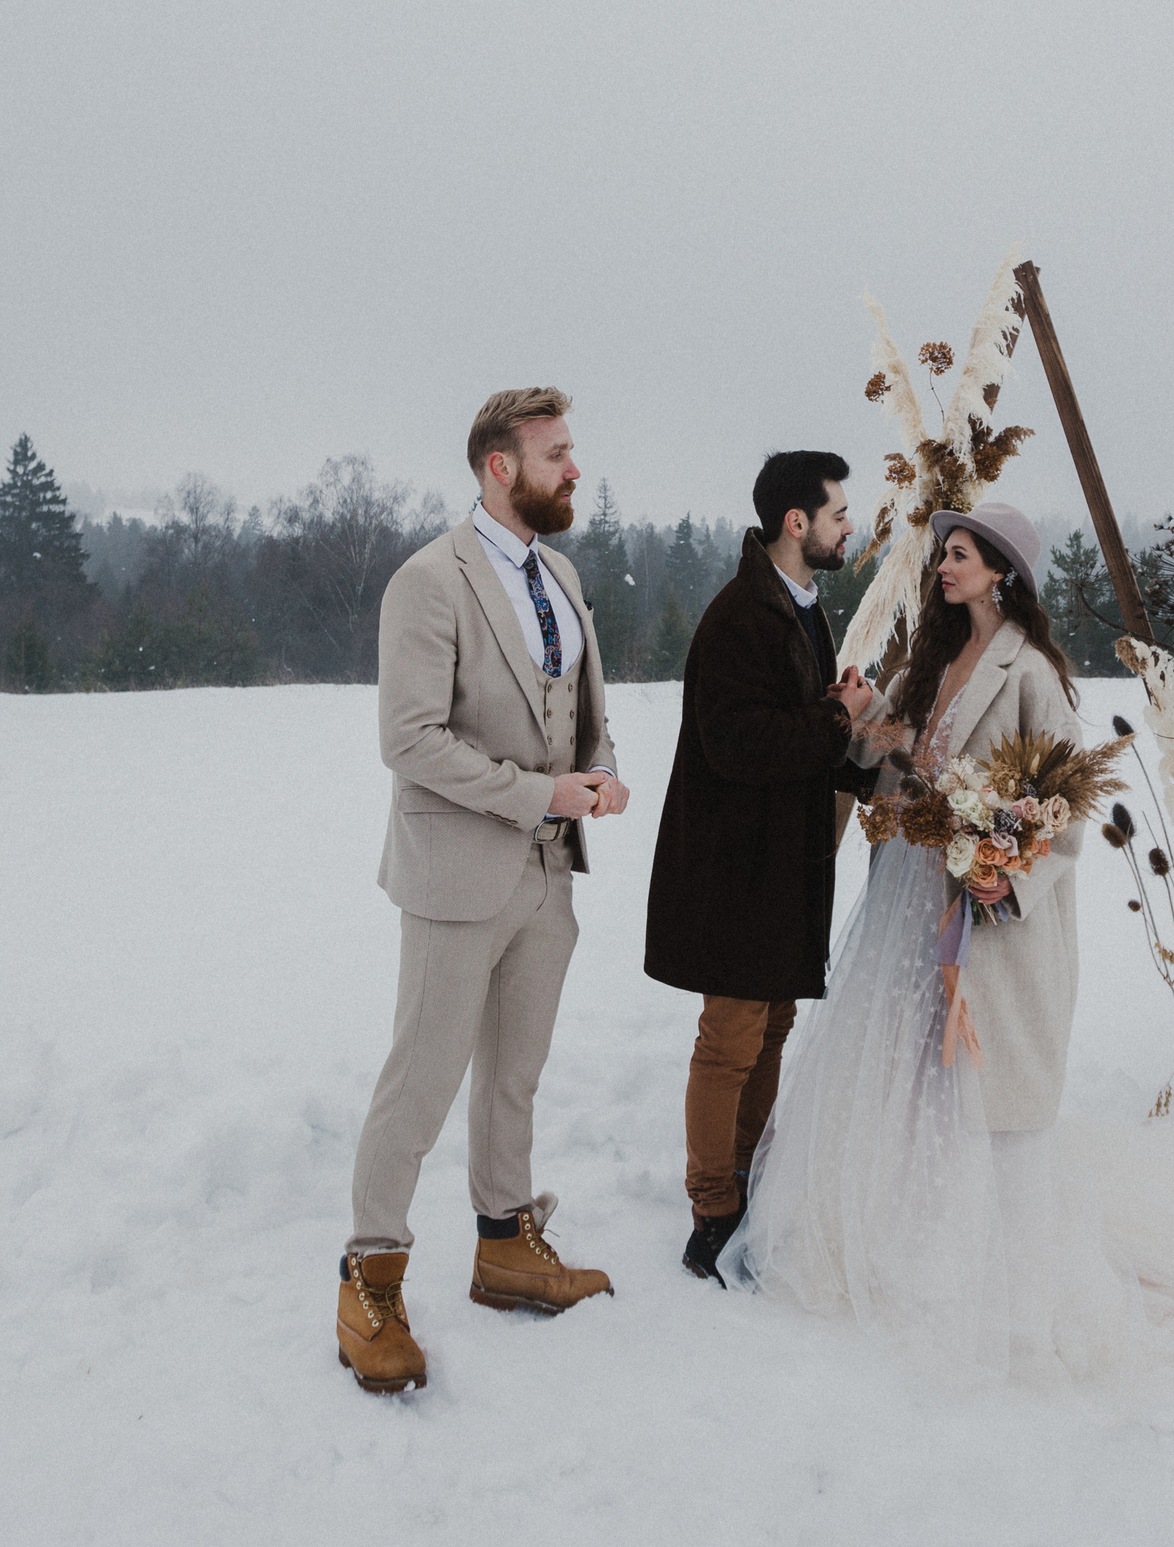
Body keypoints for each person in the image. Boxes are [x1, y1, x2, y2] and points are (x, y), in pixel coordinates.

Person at [725, 501, 1126, 1380]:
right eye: (943, 553)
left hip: (986, 911)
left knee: (975, 1088)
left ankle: (986, 1276)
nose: (944, 567)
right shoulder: (934, 655)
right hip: (911, 887)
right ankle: (884, 1236)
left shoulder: (1035, 674)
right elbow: (897, 764)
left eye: (960, 554)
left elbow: (1064, 815)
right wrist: (866, 716)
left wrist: (1007, 873)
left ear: (1002, 571)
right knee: (900, 1069)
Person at [335, 386, 630, 1396]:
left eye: (571, 450)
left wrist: (597, 770)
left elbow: (580, 705)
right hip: (457, 875)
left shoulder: (563, 573)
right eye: (556, 453)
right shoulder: (428, 581)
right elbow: (408, 741)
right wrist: (537, 792)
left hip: (549, 877)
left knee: (514, 1074)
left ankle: (504, 1247)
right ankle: (368, 1277)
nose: (574, 468)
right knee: (421, 1081)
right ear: (498, 467)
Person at [643, 452, 880, 1287]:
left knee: (770, 1029)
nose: (849, 523)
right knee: (730, 1039)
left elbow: (800, 734)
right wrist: (835, 716)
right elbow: (739, 745)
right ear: (796, 523)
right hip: (734, 870)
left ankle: (745, 1180)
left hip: (783, 867)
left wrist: (846, 737)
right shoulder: (743, 615)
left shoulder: (802, 606)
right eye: (839, 511)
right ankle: (712, 1213)